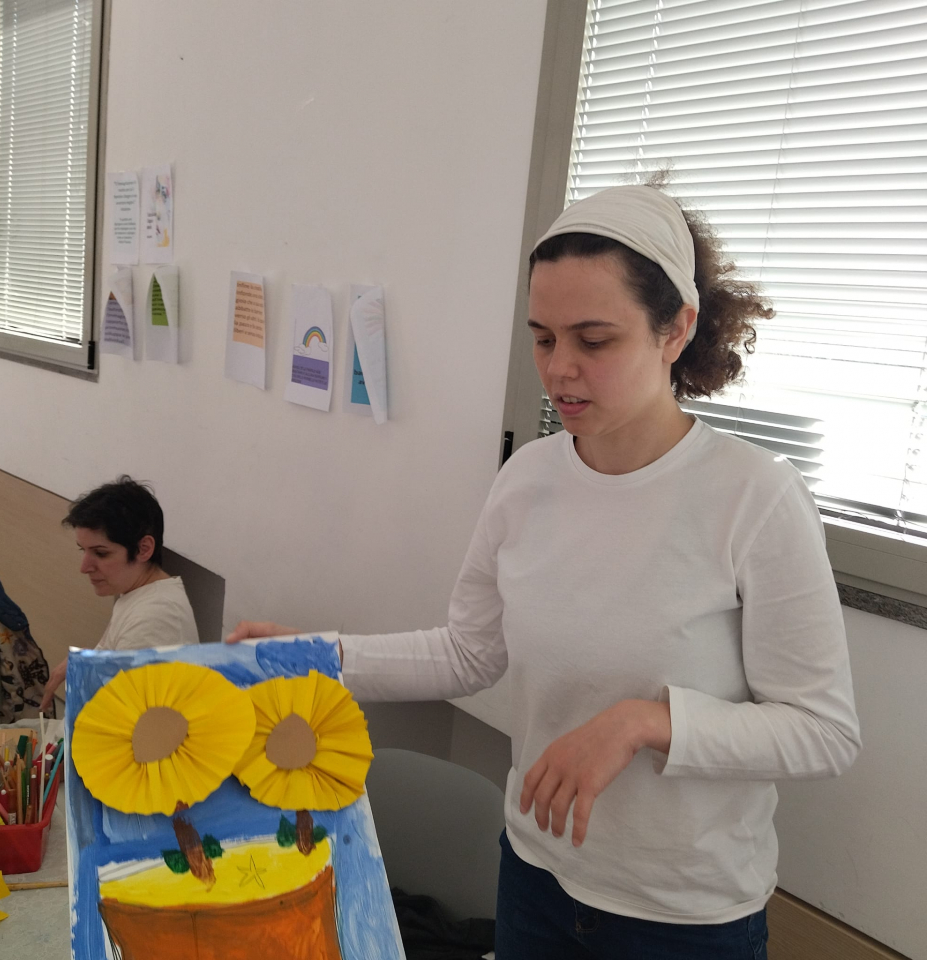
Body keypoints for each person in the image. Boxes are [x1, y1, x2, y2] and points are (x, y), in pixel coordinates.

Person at [229, 183, 861, 959]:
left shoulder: (755, 498)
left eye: (594, 341)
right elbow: (469, 652)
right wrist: (317, 656)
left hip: (683, 918)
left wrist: (645, 722)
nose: (559, 370)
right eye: (542, 338)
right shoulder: (529, 478)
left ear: (676, 329)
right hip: (534, 879)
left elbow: (823, 731)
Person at [40, 476, 198, 710]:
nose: (84, 567)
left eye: (101, 553)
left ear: (144, 549)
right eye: (83, 551)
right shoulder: (138, 593)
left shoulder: (155, 620)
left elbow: (134, 722)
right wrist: (87, 662)